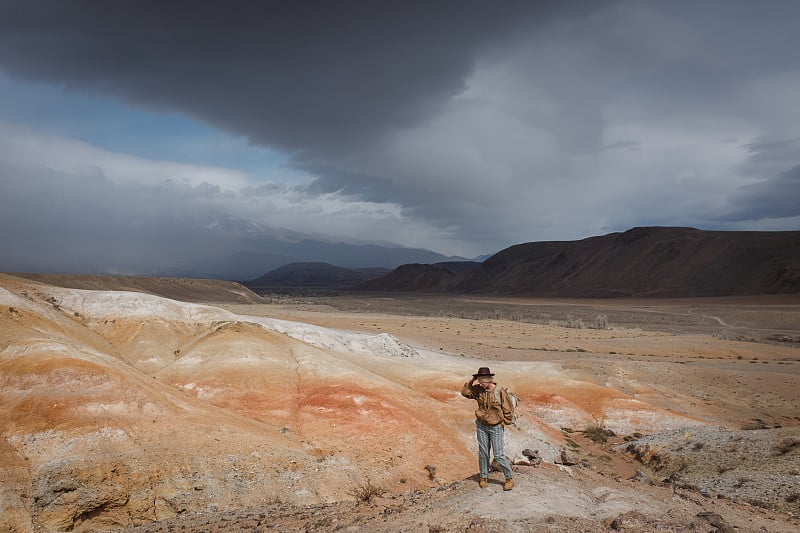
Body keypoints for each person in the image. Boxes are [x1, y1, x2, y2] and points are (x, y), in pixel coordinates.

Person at [461, 367, 514, 490]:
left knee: (498, 454)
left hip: (496, 427)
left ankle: (509, 478)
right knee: (483, 453)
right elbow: (465, 393)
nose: (480, 384)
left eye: (482, 381)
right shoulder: (479, 390)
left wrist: (502, 423)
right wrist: (471, 381)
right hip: (481, 425)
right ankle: (483, 477)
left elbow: (508, 410)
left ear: (489, 380)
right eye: (479, 381)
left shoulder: (499, 391)